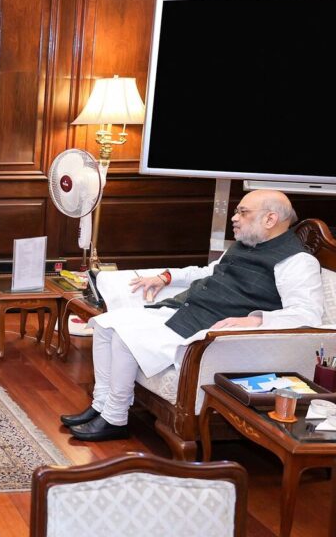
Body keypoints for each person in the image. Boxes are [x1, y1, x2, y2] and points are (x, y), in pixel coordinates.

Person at [61, 189, 324, 441]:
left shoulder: (297, 262)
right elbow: (207, 272)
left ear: (270, 219)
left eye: (243, 212)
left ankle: (115, 419)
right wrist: (166, 277)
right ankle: (101, 405)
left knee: (123, 336)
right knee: (106, 325)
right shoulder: (246, 244)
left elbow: (307, 314)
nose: (234, 217)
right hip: (188, 311)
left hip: (208, 328)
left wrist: (257, 319)